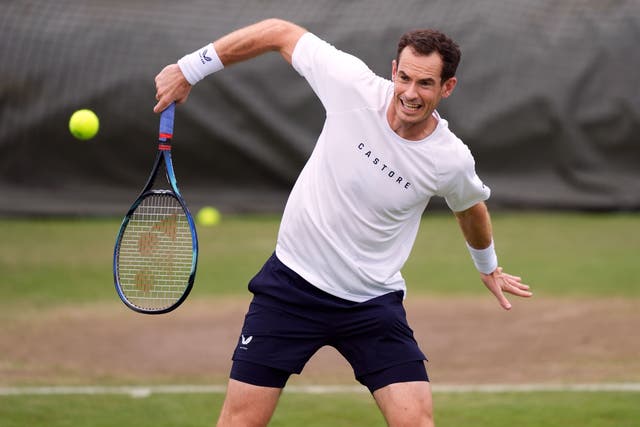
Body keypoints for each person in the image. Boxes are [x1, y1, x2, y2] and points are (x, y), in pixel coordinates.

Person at [154, 18, 532, 427]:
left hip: (372, 303)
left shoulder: (450, 159)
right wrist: (189, 69)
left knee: (416, 422)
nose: (409, 92)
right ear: (393, 70)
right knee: (239, 423)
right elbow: (278, 32)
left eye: (425, 84)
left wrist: (487, 265)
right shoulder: (350, 85)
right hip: (290, 289)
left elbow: (471, 206)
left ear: (447, 87)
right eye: (404, 77)